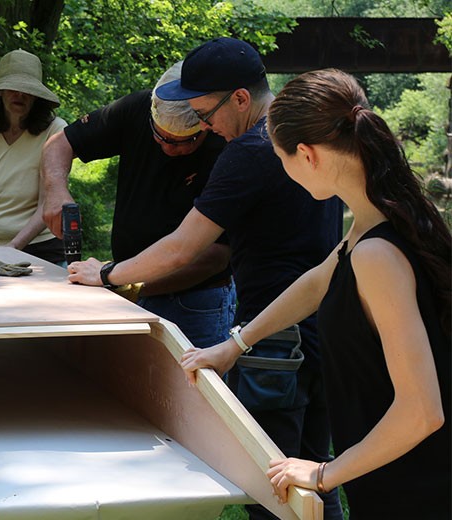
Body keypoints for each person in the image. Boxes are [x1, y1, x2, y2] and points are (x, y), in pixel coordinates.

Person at [67, 38, 344, 520]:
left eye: (204, 112)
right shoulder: (307, 138)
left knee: (273, 488)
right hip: (323, 329)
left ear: (240, 98)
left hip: (275, 341)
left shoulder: (253, 150)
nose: (204, 126)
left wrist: (107, 273)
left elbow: (183, 246)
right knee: (316, 480)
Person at [188, 68, 448, 519]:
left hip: (417, 490)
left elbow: (422, 411)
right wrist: (234, 346)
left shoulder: (377, 256)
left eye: (280, 158)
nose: (284, 170)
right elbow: (316, 283)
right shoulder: (374, 226)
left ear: (306, 155)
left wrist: (324, 474)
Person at [41, 61, 233, 348]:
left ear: (205, 124)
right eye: (160, 136)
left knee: (194, 388)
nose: (169, 148)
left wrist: (129, 282)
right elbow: (59, 143)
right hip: (126, 286)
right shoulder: (135, 108)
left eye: (184, 141)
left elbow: (217, 255)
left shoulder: (227, 143)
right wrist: (56, 191)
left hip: (195, 301)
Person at [0, 49, 67, 265]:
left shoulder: (55, 131)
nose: (20, 95)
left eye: (27, 90)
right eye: (13, 88)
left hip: (41, 251)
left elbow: (47, 206)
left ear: (37, 96)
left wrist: (12, 249)